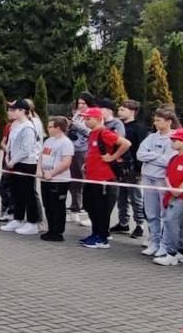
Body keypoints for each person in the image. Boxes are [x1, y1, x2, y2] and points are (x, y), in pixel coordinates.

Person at [79, 106, 128, 249]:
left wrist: (113, 157)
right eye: (85, 119)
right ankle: (96, 233)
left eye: (89, 119)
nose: (86, 122)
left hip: (104, 177)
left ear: (98, 119)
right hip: (91, 177)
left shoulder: (104, 132)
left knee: (101, 208)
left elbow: (125, 143)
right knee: (90, 206)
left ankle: (102, 237)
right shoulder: (92, 133)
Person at [153, 128, 183, 266]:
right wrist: (170, 188)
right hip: (171, 194)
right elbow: (167, 175)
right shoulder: (174, 157)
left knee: (170, 221)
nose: (172, 143)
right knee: (178, 223)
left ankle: (171, 253)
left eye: (175, 140)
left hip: (182, 196)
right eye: (171, 140)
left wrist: (179, 190)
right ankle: (182, 251)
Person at [136, 108, 179, 256]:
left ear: (169, 122)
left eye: (159, 120)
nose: (155, 123)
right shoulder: (151, 137)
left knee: (165, 214)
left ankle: (165, 245)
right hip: (148, 178)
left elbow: (168, 160)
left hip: (162, 180)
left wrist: (151, 156)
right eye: (155, 120)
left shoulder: (173, 138)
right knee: (151, 213)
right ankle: (154, 241)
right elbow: (140, 154)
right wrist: (156, 155)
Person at [1, 99, 42, 236]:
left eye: (15, 109)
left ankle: (33, 222)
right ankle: (17, 218)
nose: (12, 112)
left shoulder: (28, 127)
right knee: (17, 192)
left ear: (22, 111)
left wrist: (13, 160)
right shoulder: (15, 125)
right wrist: (8, 156)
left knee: (28, 193)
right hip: (15, 162)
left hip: (26, 164)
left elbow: (26, 149)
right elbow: (10, 143)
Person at [113, 100, 150, 237]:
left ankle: (139, 224)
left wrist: (138, 168)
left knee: (135, 196)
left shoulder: (139, 128)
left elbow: (140, 148)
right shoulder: (118, 126)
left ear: (133, 111)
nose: (120, 111)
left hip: (133, 167)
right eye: (120, 109)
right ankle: (123, 222)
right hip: (119, 166)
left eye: (124, 109)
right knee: (121, 196)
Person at [39, 116, 74, 242]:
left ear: (58, 128)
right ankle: (50, 229)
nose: (48, 129)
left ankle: (58, 232)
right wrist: (39, 170)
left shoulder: (66, 143)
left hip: (59, 181)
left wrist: (52, 173)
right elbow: (41, 156)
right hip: (45, 179)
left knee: (57, 207)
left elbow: (66, 162)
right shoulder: (48, 141)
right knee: (47, 205)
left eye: (50, 127)